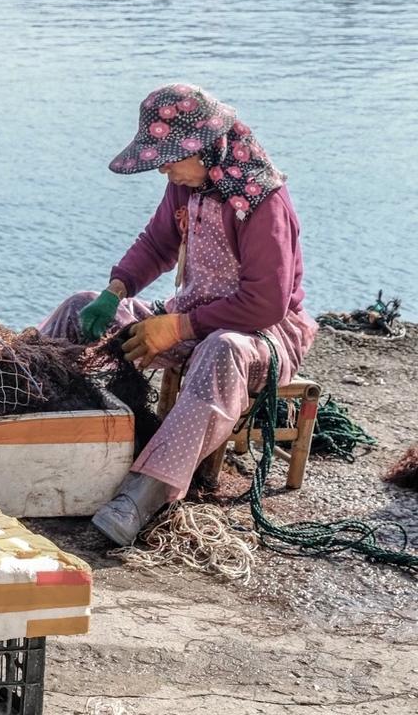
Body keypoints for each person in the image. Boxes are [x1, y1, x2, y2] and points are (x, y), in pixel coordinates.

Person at [40, 85, 317, 545]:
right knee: (77, 308)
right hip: (189, 315)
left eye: (171, 157)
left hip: (262, 334)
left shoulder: (263, 201)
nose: (164, 167)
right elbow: (156, 245)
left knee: (221, 349)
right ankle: (25, 420)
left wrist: (179, 327)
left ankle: (141, 495)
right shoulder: (185, 185)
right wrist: (116, 291)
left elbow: (266, 303)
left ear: (205, 148)